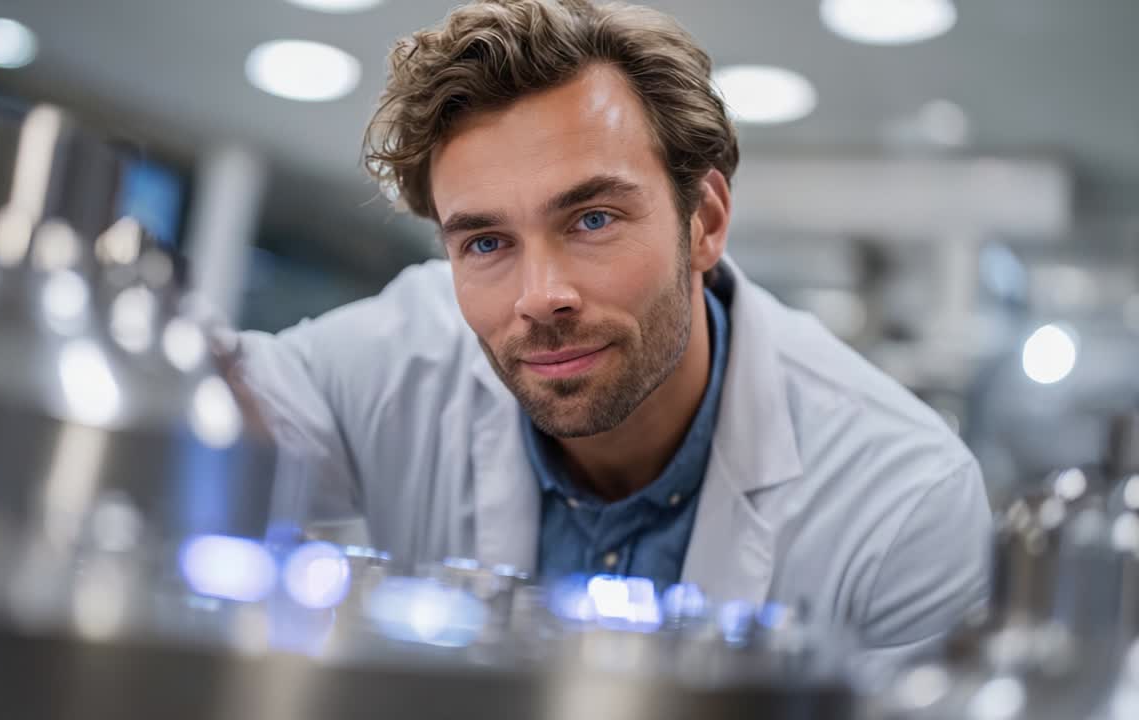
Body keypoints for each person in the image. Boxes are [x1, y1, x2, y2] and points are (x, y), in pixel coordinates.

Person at [228, 0, 991, 660]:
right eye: (486, 243)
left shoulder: (903, 499)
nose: (541, 297)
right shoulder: (394, 359)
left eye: (593, 219)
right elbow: (185, 405)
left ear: (707, 222)